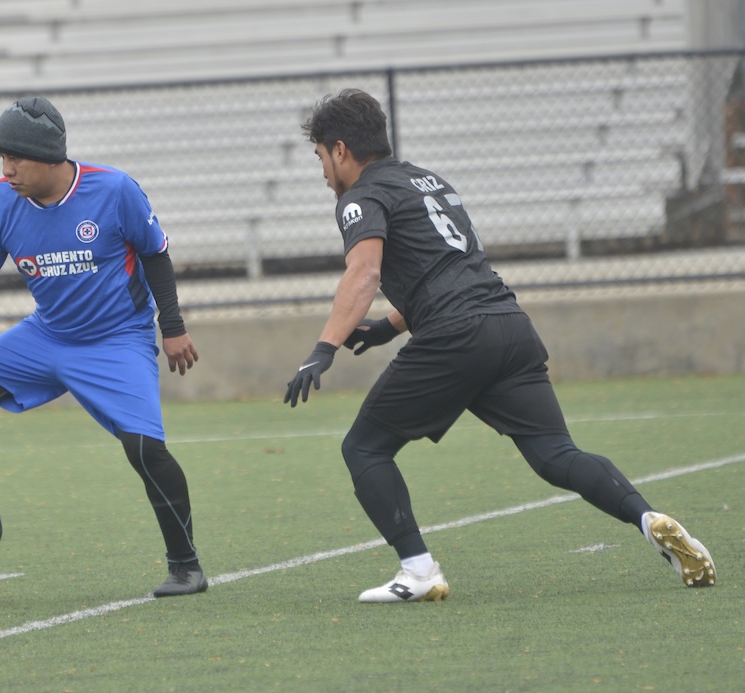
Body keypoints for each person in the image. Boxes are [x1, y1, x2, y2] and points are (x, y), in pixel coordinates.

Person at [283, 88, 716, 603]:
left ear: (340, 150)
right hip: (509, 325)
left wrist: (324, 347)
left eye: (320, 157)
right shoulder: (428, 180)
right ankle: (649, 519)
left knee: (363, 447)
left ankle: (419, 571)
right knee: (556, 454)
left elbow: (364, 272)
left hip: (456, 336)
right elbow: (450, 267)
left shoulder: (360, 197)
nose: (323, 172)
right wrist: (388, 328)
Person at [0, 96, 208, 598]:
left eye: (15, 158)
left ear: (49, 156)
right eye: (1, 158)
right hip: (48, 334)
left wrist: (173, 326)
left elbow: (156, 255)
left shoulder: (114, 190)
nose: (6, 170)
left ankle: (186, 566)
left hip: (118, 338)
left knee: (144, 448)